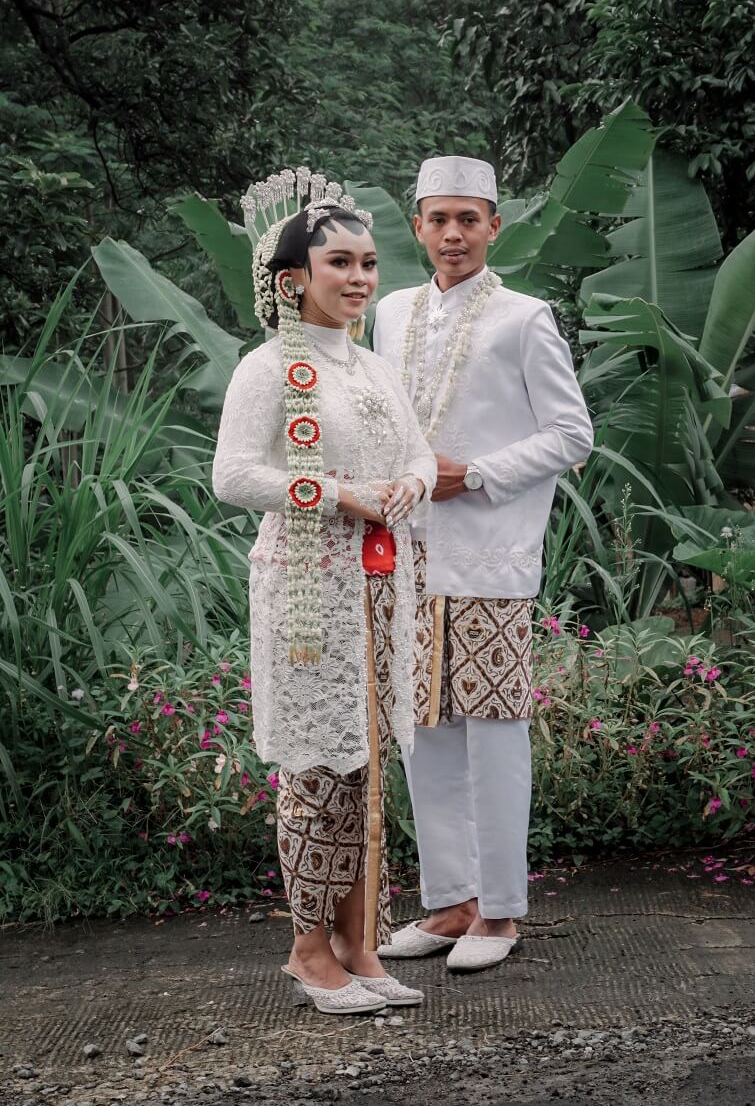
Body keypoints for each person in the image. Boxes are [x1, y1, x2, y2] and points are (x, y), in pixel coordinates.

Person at [212, 168, 437, 1014]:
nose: (359, 277)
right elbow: (233, 475)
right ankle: (308, 950)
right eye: (339, 262)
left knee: (367, 763)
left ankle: (357, 940)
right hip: (306, 590)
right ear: (292, 279)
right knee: (317, 765)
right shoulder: (268, 368)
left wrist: (411, 484)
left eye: (368, 262)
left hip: (380, 587)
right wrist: (339, 493)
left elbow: (417, 453)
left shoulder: (373, 368)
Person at [373, 155, 593, 973]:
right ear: (418, 225)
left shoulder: (524, 318)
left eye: (468, 218)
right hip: (407, 554)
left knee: (494, 733)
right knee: (423, 732)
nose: (453, 233)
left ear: (494, 226)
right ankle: (449, 902)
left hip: (489, 556)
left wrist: (475, 473)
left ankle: (499, 909)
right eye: (438, 218)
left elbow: (572, 433)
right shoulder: (389, 313)